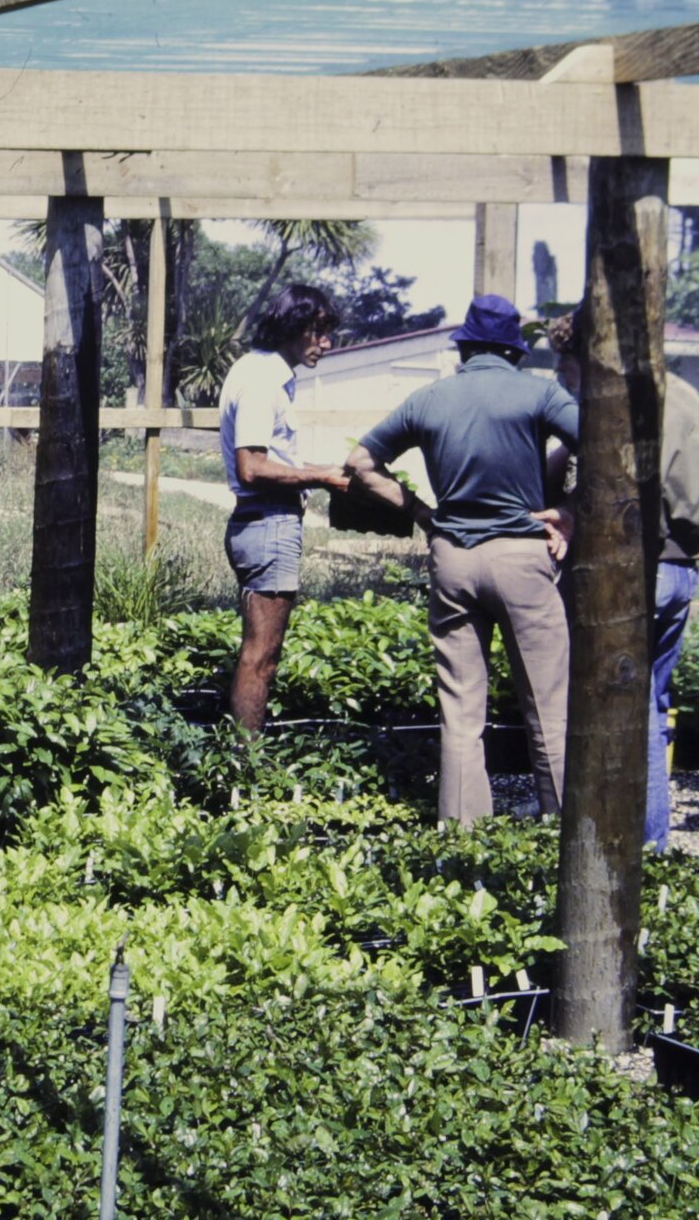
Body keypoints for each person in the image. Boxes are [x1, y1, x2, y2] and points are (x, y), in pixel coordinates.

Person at [344, 293, 579, 823]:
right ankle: (562, 833)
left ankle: (461, 839)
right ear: (514, 350)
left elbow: (360, 462)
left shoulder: (428, 398)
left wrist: (420, 512)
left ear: (465, 348)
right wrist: (569, 510)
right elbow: (606, 448)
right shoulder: (539, 393)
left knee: (461, 711)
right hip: (521, 558)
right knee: (548, 707)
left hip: (452, 557)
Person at [547, 327, 699, 850]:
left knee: (636, 708)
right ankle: (645, 833)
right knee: (655, 700)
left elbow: (612, 485)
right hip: (682, 568)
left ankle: (648, 843)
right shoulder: (688, 393)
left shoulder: (620, 401)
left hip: (637, 570)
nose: (564, 380)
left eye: (567, 369)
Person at [217, 284, 353, 732]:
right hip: (269, 522)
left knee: (259, 653)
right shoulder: (263, 382)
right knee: (262, 657)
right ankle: (247, 762)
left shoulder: (260, 372)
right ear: (293, 326)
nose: (327, 343)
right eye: (319, 331)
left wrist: (331, 471)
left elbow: (276, 461)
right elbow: (252, 467)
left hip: (264, 521)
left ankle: (243, 756)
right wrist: (322, 478)